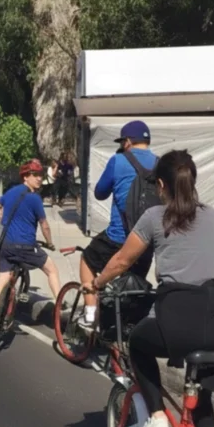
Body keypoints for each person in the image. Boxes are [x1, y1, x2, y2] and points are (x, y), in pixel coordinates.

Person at [82, 150, 214, 427]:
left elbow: (122, 261)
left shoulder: (154, 217)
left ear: (159, 185)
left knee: (138, 345)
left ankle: (156, 417)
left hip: (179, 320)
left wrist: (96, 283)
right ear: (192, 181)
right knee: (200, 397)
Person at [79, 120, 158, 329]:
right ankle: (123, 334)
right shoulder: (160, 164)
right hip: (146, 242)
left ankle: (89, 316)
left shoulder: (118, 160)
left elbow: (100, 193)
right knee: (131, 287)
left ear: (128, 142)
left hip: (118, 237)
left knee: (87, 260)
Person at [0, 160, 60, 327]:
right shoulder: (34, 198)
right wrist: (50, 243)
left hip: (6, 245)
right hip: (26, 246)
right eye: (35, 175)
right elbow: (44, 225)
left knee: (3, 278)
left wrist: (4, 221)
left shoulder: (11, 192)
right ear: (25, 177)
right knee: (52, 270)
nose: (39, 178)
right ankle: (59, 308)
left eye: (40, 175)